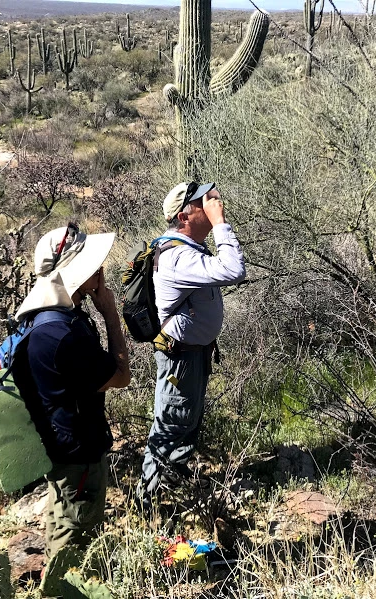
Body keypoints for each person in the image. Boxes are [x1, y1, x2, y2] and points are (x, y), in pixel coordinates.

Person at [11, 223, 130, 596]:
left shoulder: (50, 319)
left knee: (65, 518)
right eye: (94, 265)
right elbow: (121, 375)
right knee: (74, 533)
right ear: (75, 273)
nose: (101, 270)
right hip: (77, 452)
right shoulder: (64, 333)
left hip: (61, 441)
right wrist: (110, 312)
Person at [136, 182, 246, 508]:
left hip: (192, 355)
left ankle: (170, 490)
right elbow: (234, 269)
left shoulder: (189, 249)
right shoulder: (177, 256)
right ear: (185, 215)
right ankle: (149, 506)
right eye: (203, 202)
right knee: (171, 426)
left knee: (186, 424)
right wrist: (221, 223)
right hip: (180, 359)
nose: (212, 202)